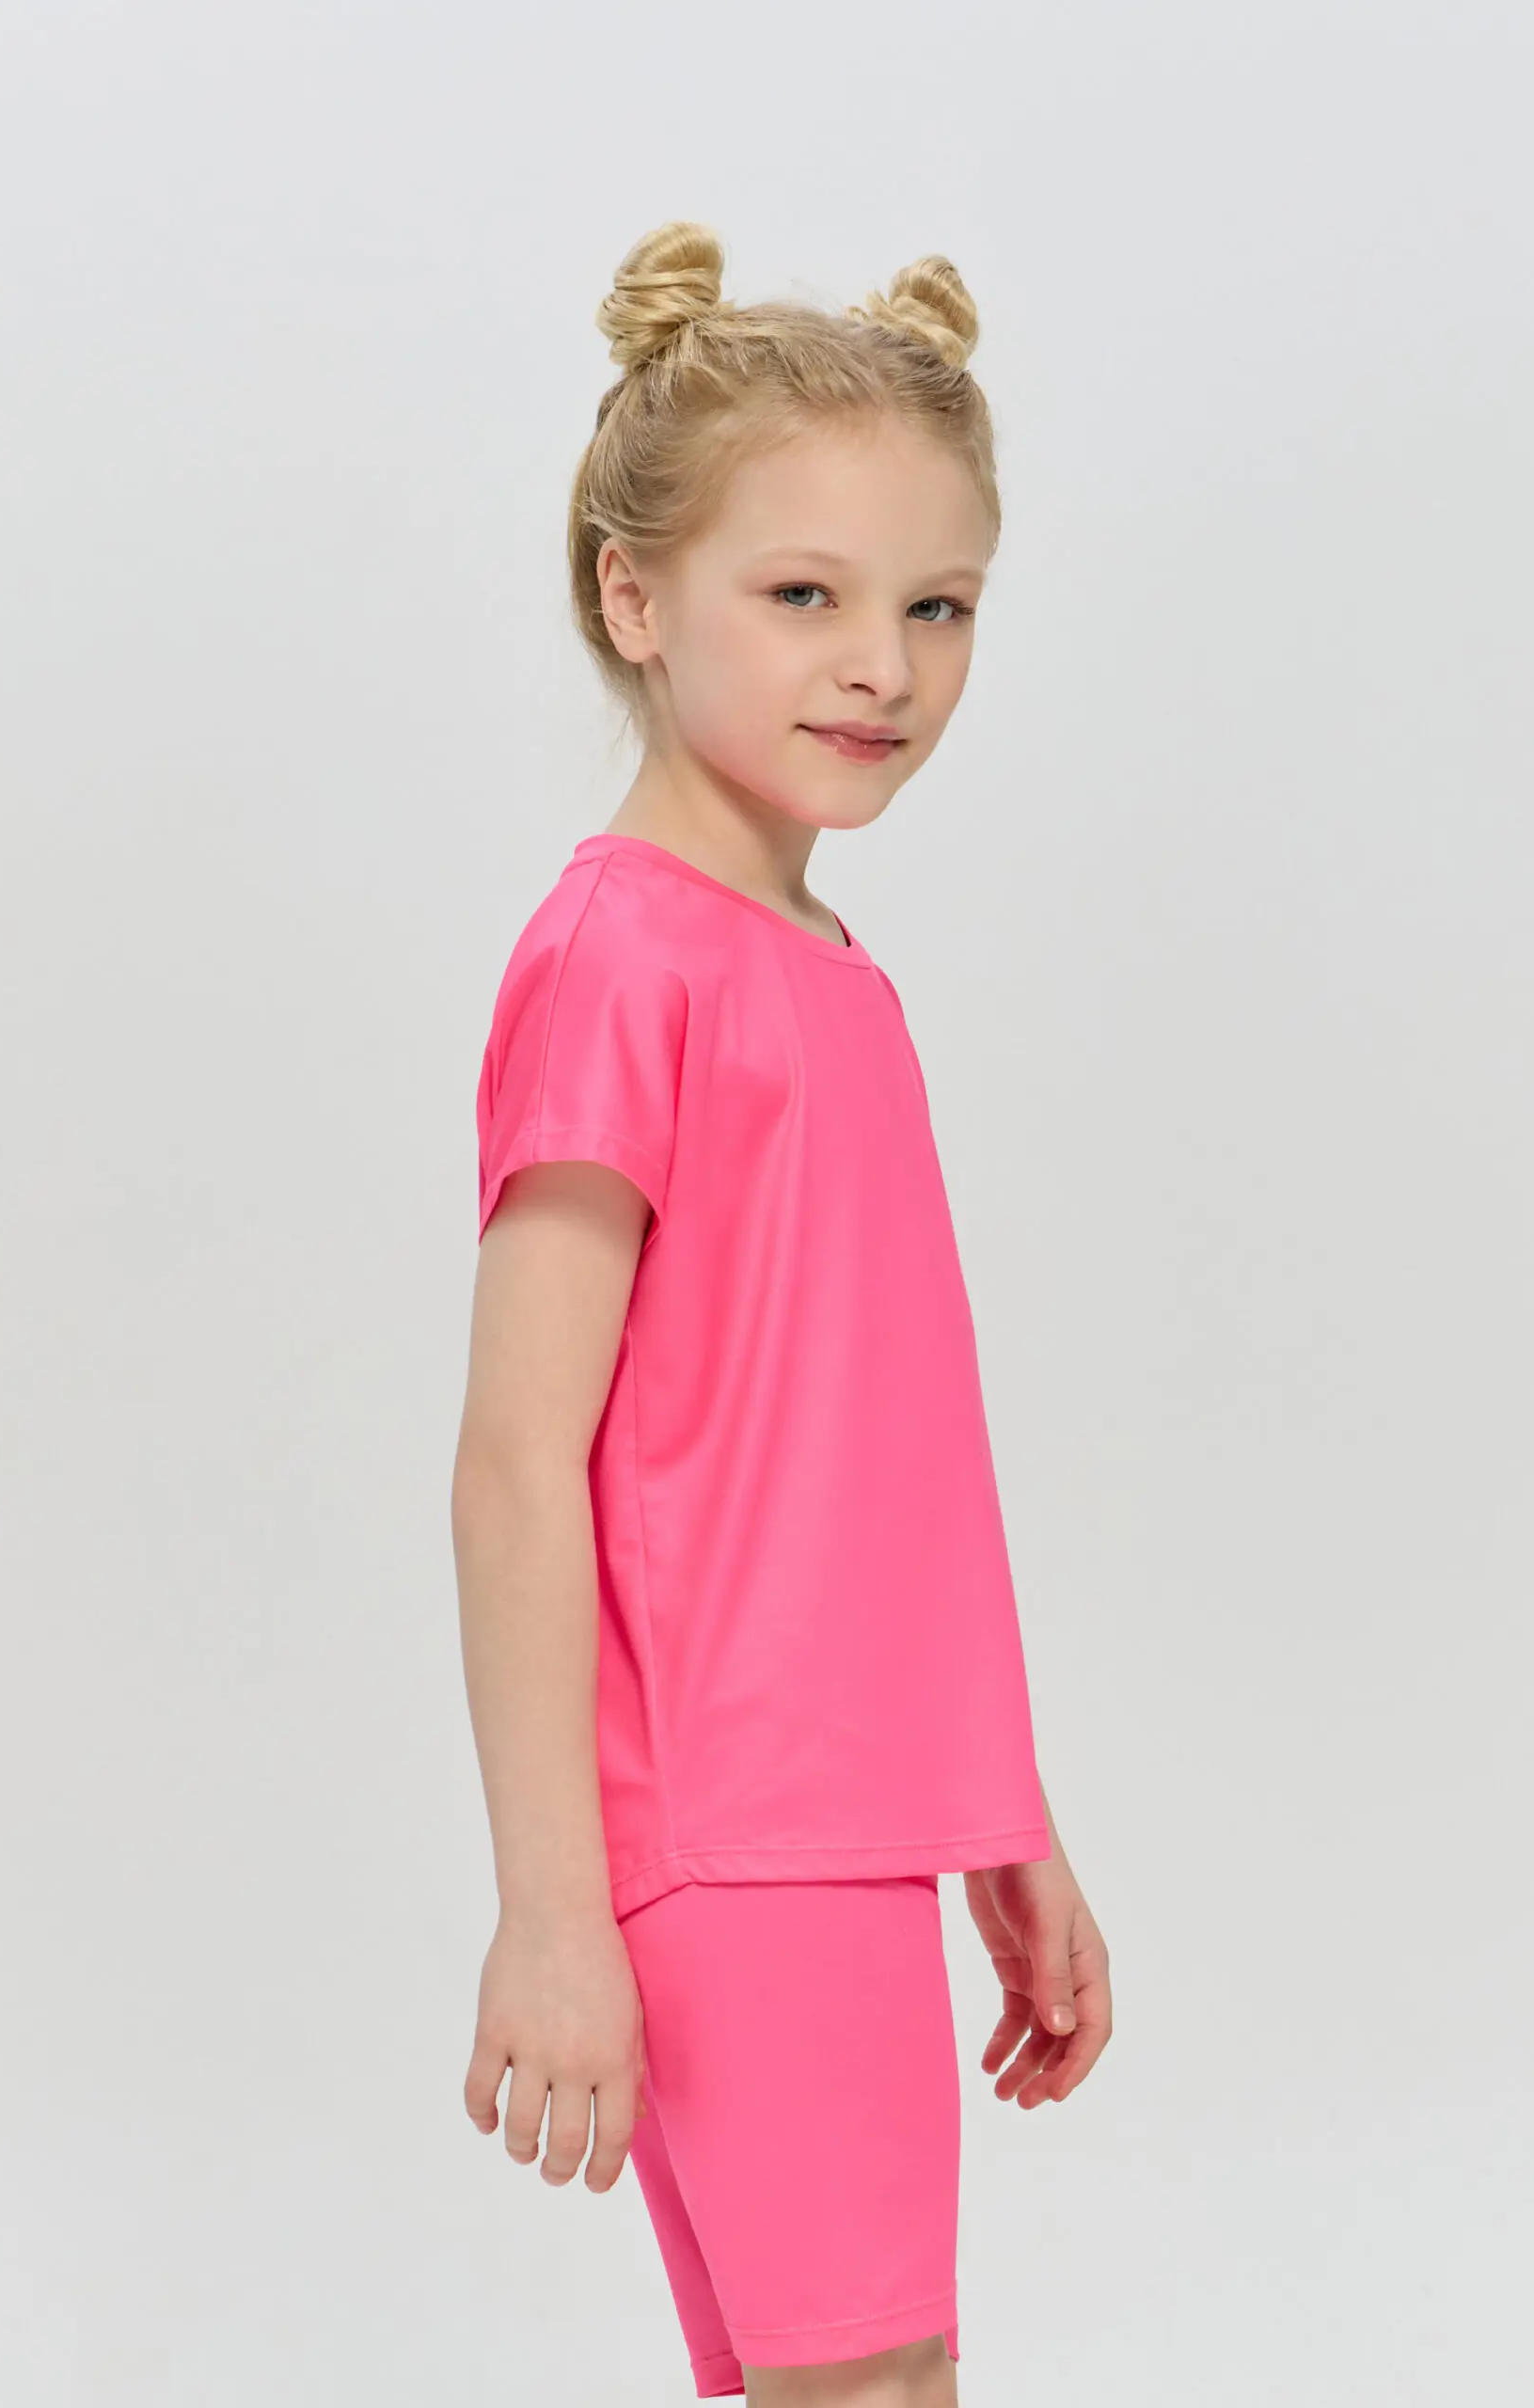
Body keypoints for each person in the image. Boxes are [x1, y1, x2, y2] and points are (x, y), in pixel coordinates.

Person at [452, 219, 1113, 2405]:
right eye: (803, 594)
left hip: (844, 1824)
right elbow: (516, 1461)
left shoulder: (828, 979)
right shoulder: (624, 960)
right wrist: (554, 1902)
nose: (881, 668)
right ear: (634, 598)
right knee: (873, 2387)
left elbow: (873, 1474)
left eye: (936, 606)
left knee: (852, 2385)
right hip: (735, 1836)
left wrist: (993, 1812)